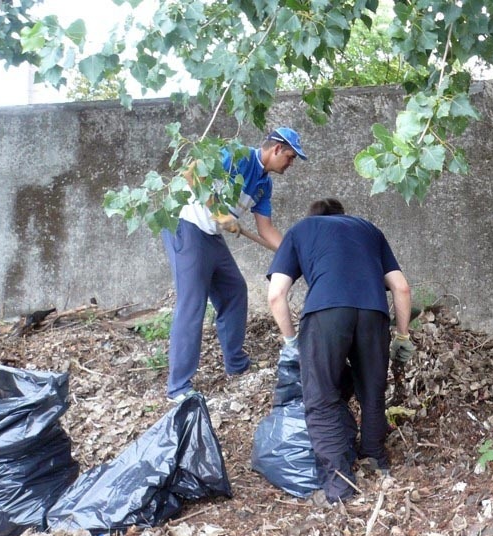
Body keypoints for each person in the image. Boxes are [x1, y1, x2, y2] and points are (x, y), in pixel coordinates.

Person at [267, 198, 414, 502]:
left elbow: (275, 295)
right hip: (373, 313)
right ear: (342, 216)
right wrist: (402, 336)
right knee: (371, 391)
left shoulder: (300, 230)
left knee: (320, 399)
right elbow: (401, 287)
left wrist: (291, 341)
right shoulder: (368, 230)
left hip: (325, 314)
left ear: (314, 217)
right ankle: (375, 459)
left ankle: (339, 485)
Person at [162, 127, 308, 402]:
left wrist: (295, 252)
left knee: (234, 291)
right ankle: (178, 387)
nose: (290, 164)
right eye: (290, 157)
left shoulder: (264, 184)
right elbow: (192, 173)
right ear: (276, 149)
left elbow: (266, 230)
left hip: (210, 234)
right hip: (186, 225)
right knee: (192, 302)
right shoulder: (237, 155)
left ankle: (236, 363)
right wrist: (219, 212)